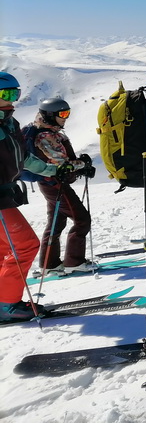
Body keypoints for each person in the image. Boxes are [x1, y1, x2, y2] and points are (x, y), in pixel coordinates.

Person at [0, 73, 59, 322]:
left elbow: (24, 159)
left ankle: (5, 299)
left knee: (5, 250)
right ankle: (7, 305)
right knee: (25, 245)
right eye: (5, 94)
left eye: (15, 94)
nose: (11, 100)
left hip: (5, 194)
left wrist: (53, 169)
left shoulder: (10, 124)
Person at [28, 98, 95, 275]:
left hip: (52, 184)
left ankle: (49, 264)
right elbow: (61, 163)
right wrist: (82, 165)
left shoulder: (52, 132)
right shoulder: (45, 136)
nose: (66, 117)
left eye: (68, 113)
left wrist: (81, 165)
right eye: (63, 114)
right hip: (56, 185)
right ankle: (74, 261)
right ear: (50, 115)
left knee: (56, 222)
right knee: (82, 220)